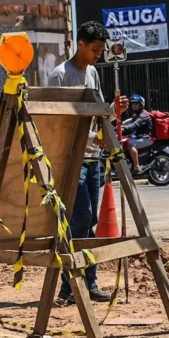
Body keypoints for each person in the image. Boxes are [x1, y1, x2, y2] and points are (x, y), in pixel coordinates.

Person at [48, 20, 113, 307]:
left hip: (93, 158)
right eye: (95, 49)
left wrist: (110, 115)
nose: (98, 55)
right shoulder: (60, 75)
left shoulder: (93, 74)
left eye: (101, 50)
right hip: (71, 160)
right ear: (81, 44)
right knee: (78, 218)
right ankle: (68, 285)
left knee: (91, 221)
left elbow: (97, 113)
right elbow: (56, 122)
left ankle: (90, 281)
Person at [121, 94, 153, 176]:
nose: (134, 106)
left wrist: (123, 128)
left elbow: (134, 125)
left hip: (147, 138)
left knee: (130, 144)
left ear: (141, 105)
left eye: (136, 104)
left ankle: (136, 166)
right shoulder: (135, 115)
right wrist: (118, 127)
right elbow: (128, 124)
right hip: (139, 137)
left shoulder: (144, 115)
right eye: (133, 104)